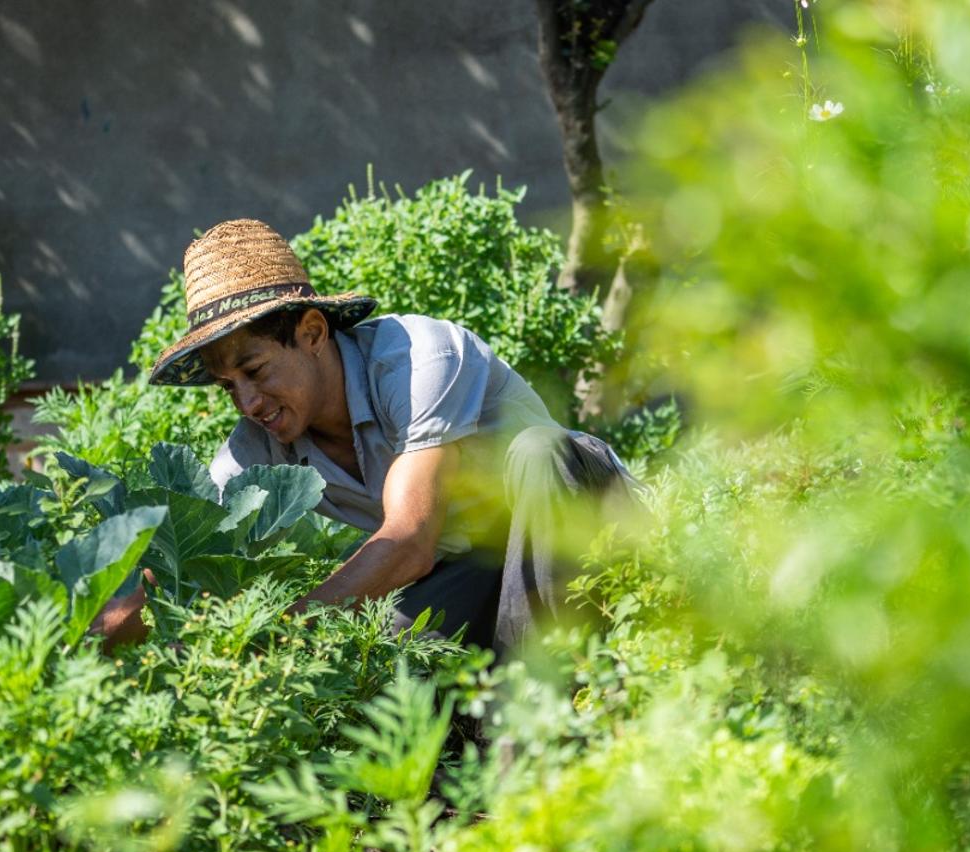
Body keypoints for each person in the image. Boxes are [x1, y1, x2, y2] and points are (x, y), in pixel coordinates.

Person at [101, 218, 633, 652]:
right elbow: (180, 560)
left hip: (583, 522)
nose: (248, 403)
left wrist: (286, 628)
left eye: (256, 371)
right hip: (474, 562)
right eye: (228, 387)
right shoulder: (259, 447)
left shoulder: (418, 357)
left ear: (311, 333)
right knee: (379, 657)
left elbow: (409, 540)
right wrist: (87, 640)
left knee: (540, 453)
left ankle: (551, 720)